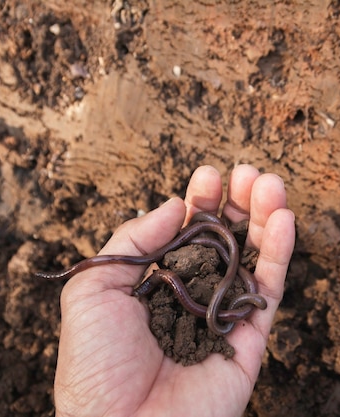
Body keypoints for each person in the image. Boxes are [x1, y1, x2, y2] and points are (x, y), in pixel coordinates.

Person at [53, 164, 296, 417]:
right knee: (196, 266)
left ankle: (222, 264)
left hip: (215, 292)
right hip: (212, 300)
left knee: (210, 260)